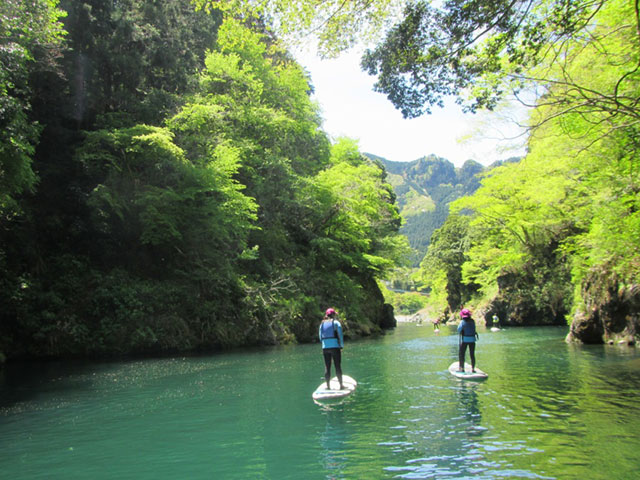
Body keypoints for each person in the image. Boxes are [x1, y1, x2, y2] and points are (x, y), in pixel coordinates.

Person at [319, 308, 344, 390]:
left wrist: (325, 345)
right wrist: (341, 345)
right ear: (333, 315)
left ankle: (328, 386)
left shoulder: (321, 324)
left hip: (325, 348)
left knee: (327, 366)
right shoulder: (336, 323)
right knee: (337, 366)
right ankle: (341, 386)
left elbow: (320, 337)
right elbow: (340, 335)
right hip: (335, 347)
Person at [457, 308, 479, 372]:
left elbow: (458, 330)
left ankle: (462, 368)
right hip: (472, 340)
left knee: (462, 354)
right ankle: (473, 368)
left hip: (465, 340)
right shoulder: (473, 321)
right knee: (472, 354)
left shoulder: (462, 322)